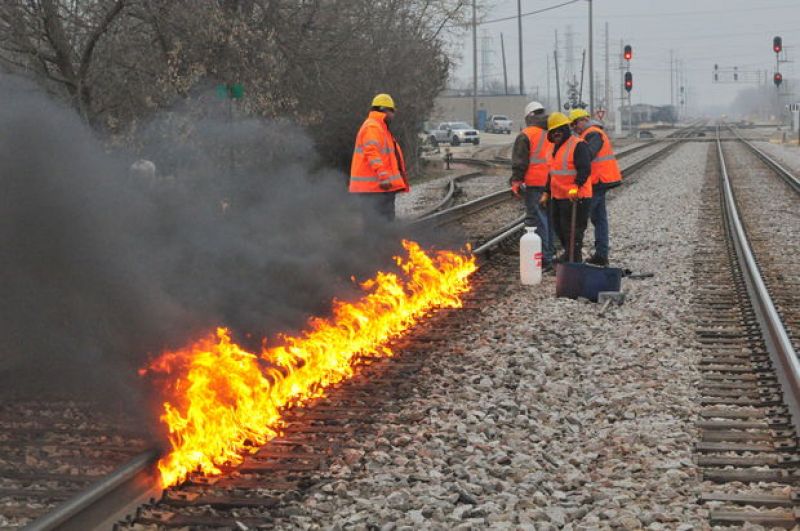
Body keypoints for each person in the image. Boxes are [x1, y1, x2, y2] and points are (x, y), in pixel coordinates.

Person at [569, 108, 621, 266]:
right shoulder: (590, 133)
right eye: (572, 125)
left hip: (598, 180)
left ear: (584, 120)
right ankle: (601, 254)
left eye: (575, 123)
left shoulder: (592, 133)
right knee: (599, 219)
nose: (574, 128)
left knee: (583, 218)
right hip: (599, 180)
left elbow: (587, 155)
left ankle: (573, 255)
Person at [349, 93, 409, 222]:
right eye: (392, 111)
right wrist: (383, 176)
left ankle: (384, 242)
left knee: (381, 224)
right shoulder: (373, 127)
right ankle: (380, 242)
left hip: (378, 187)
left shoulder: (380, 127)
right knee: (379, 224)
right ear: (384, 110)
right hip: (375, 187)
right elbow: (372, 153)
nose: (393, 115)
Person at [509, 101, 554, 269]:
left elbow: (520, 161)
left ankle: (544, 258)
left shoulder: (526, 134)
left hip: (535, 183)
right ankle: (548, 254)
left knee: (539, 221)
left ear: (529, 117)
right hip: (552, 183)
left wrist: (516, 181)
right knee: (549, 220)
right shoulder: (552, 131)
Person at [546, 112, 592, 263]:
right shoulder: (554, 149)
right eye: (553, 131)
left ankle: (575, 262)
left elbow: (584, 168)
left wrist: (576, 186)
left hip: (576, 197)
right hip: (558, 197)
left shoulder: (578, 145)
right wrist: (547, 192)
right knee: (560, 229)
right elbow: (552, 173)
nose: (556, 133)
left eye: (560, 129)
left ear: (566, 129)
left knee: (573, 231)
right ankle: (569, 255)